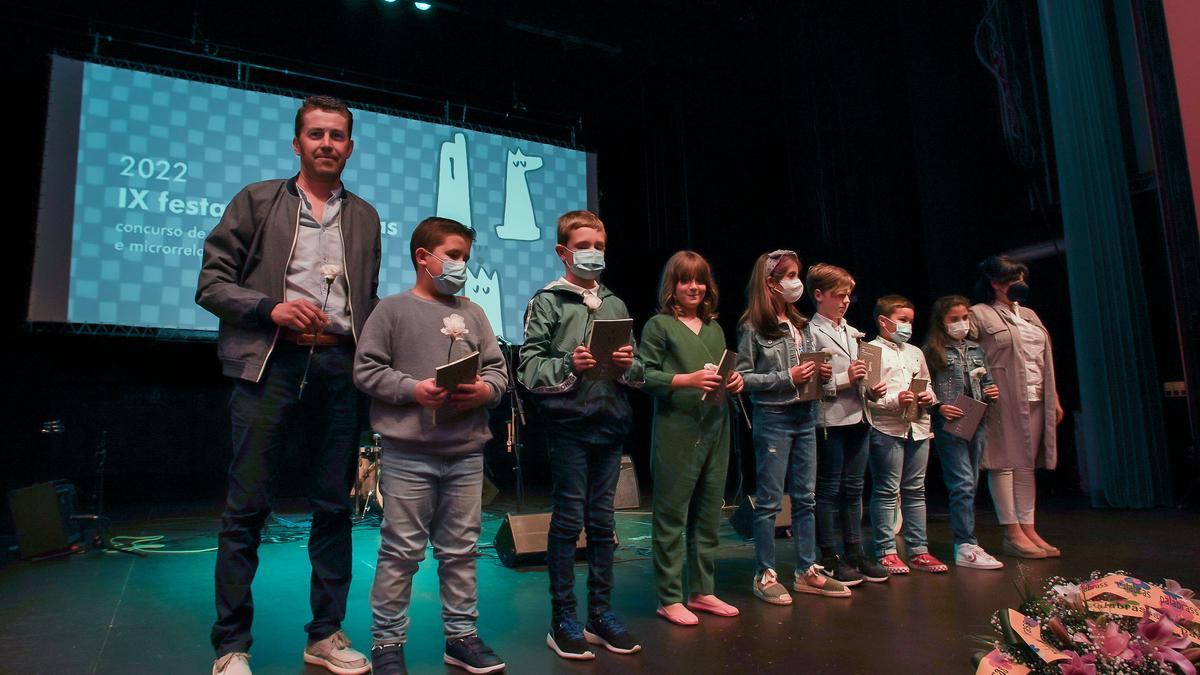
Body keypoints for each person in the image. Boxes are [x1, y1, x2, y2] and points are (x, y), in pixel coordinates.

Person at [197, 95, 379, 675]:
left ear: (350, 147)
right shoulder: (256, 200)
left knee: (332, 508)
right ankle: (231, 646)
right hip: (269, 365)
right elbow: (211, 284)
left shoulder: (366, 216)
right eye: (316, 134)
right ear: (296, 142)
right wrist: (269, 309)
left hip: (337, 372)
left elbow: (365, 300)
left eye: (338, 136)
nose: (327, 144)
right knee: (247, 508)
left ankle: (325, 634)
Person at [354, 217, 508, 675]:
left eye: (465, 257)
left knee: (461, 550)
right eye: (453, 255)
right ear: (423, 257)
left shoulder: (475, 313)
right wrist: (412, 389)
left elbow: (498, 371)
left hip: (465, 452)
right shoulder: (392, 310)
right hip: (410, 454)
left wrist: (487, 391)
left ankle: (461, 637)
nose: (461, 264)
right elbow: (366, 369)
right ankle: (387, 644)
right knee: (401, 551)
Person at [517, 210, 643, 660]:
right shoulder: (548, 301)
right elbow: (528, 367)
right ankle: (563, 617)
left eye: (600, 246)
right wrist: (570, 363)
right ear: (563, 252)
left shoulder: (615, 302)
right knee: (569, 521)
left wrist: (630, 366)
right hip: (569, 426)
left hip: (609, 423)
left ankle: (601, 613)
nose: (594, 253)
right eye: (584, 245)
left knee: (604, 523)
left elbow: (638, 364)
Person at [736, 251, 850, 605]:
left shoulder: (801, 324)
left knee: (806, 496)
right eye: (788, 275)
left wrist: (824, 376)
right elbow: (743, 377)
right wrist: (788, 376)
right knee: (770, 500)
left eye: (797, 274)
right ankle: (765, 572)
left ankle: (806, 570)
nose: (795, 281)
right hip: (774, 417)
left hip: (806, 415)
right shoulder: (753, 325)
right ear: (770, 282)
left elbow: (816, 371)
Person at [640, 251, 744, 626]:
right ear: (673, 286)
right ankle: (669, 597)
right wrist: (685, 380)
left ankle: (703, 591)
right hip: (677, 428)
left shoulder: (714, 328)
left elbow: (722, 372)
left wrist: (735, 380)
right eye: (685, 280)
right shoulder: (659, 326)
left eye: (699, 280)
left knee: (707, 512)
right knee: (671, 514)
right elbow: (643, 375)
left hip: (716, 426)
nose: (694, 287)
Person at [969, 255, 1062, 559]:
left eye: (1023, 278)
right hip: (1002, 395)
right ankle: (1011, 531)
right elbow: (963, 353)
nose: (1020, 285)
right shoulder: (979, 314)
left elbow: (1042, 360)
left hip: (1035, 396)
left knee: (1026, 464)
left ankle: (1029, 527)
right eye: (1013, 280)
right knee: (1003, 462)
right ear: (996, 283)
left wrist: (1054, 398)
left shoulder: (1031, 316)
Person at [807, 263, 890, 585]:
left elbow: (863, 375)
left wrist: (870, 386)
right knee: (828, 488)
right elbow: (813, 384)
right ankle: (829, 555)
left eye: (848, 296)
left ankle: (855, 550)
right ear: (818, 295)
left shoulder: (850, 331)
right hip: (831, 419)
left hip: (859, 415)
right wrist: (845, 378)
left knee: (854, 487)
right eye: (838, 296)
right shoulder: (811, 332)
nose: (844, 301)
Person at [864, 295, 947, 575]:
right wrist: (895, 400)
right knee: (887, 490)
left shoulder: (915, 352)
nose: (907, 326)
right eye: (902, 320)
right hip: (886, 428)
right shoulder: (871, 351)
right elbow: (868, 396)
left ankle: (919, 550)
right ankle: (886, 551)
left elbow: (930, 387)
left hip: (918, 427)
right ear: (883, 321)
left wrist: (927, 397)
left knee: (915, 490)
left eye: (910, 321)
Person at [923, 295, 1003, 570]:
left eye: (964, 318)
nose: (961, 324)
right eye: (954, 319)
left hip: (976, 417)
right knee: (962, 483)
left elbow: (986, 380)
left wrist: (991, 391)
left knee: (973, 480)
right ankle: (965, 543)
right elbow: (925, 385)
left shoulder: (975, 349)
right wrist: (939, 406)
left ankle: (969, 541)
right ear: (942, 322)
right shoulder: (933, 351)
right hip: (951, 423)